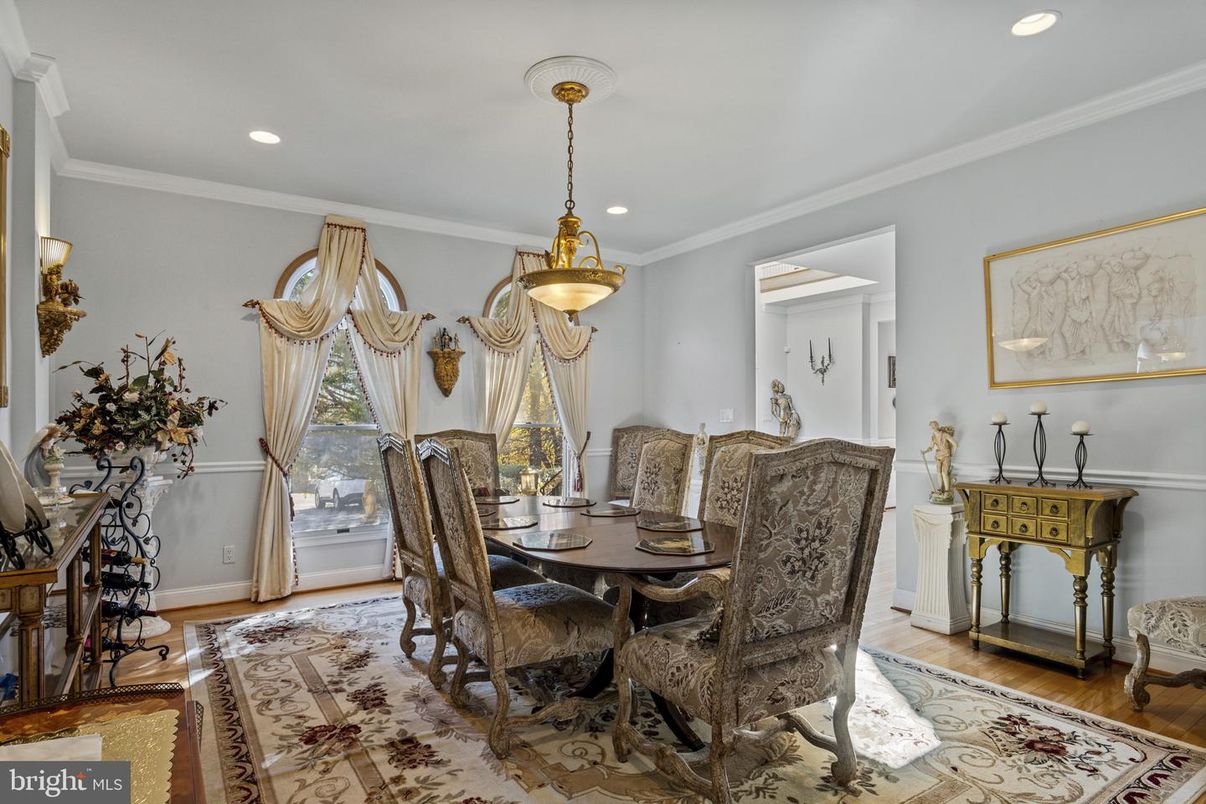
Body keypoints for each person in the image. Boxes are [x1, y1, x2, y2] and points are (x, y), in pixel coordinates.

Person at [922, 420, 958, 502]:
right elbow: (931, 447)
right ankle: (940, 490)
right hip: (938, 456)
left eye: (934, 426)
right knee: (938, 473)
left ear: (937, 426)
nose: (933, 428)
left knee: (944, 472)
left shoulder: (945, 435)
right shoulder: (933, 437)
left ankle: (947, 491)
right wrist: (925, 452)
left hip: (946, 455)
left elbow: (955, 444)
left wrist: (952, 453)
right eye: (932, 427)